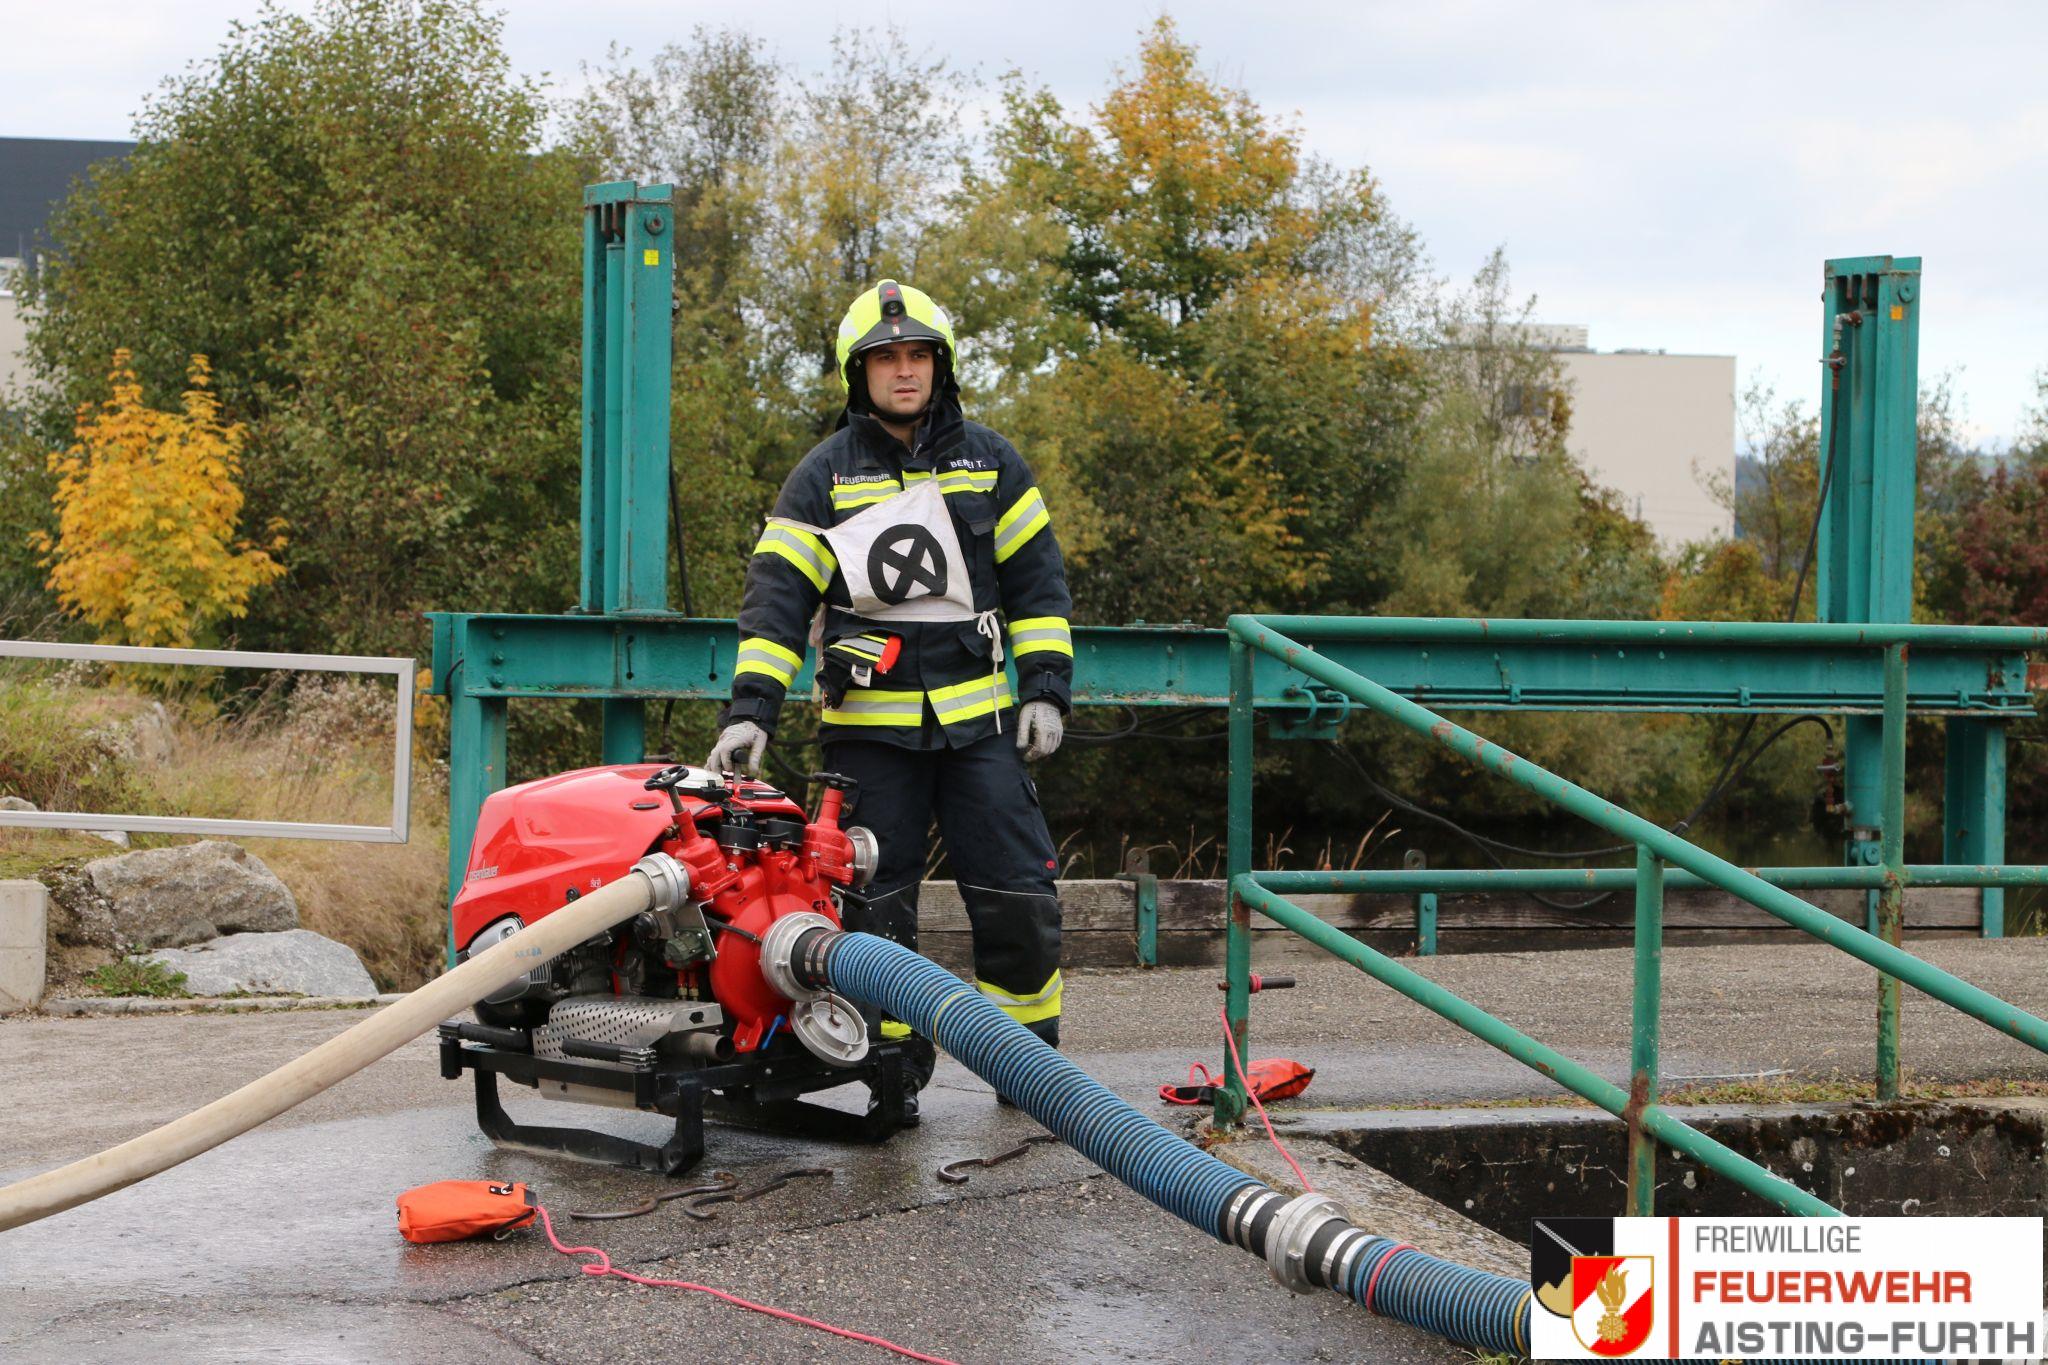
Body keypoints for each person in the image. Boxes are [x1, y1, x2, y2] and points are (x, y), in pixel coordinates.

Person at [706, 279, 1073, 1111]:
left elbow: (1039, 586)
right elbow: (777, 600)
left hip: (980, 731)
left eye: (917, 355)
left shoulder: (993, 462)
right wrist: (751, 710)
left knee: (1018, 896)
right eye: (885, 358)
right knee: (874, 915)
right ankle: (891, 1075)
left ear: (940, 365)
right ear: (857, 372)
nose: (903, 370)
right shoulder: (823, 476)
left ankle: (1030, 1074)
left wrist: (1045, 692)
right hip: (868, 742)